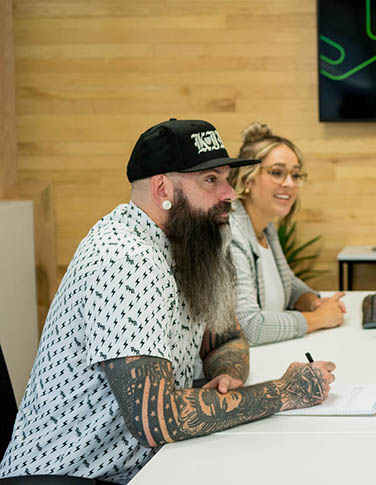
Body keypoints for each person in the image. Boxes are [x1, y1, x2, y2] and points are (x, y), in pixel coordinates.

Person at [0, 119, 336, 484]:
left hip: (142, 467)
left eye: (226, 178)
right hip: (70, 477)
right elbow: (156, 418)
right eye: (211, 180)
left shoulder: (187, 244)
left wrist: (227, 375)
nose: (229, 193)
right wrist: (283, 392)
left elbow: (227, 336)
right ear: (163, 187)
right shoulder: (126, 260)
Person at [227, 122, 345, 346]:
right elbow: (249, 327)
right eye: (277, 173)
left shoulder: (265, 227)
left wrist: (312, 302)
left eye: (296, 175)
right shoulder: (231, 234)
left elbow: (287, 284)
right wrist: (318, 319)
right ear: (247, 179)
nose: (289, 184)